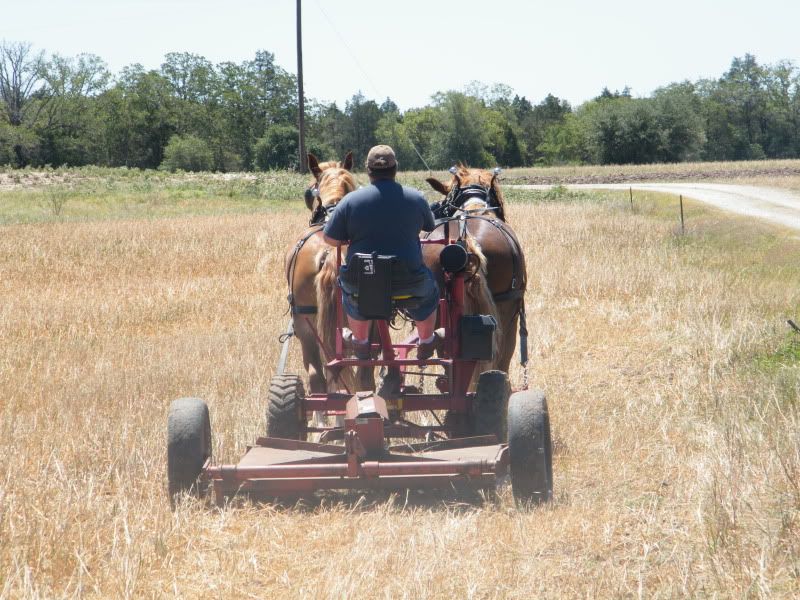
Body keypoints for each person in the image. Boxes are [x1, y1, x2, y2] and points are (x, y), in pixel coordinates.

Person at [322, 145, 440, 359]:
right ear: (395, 169)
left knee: (350, 294)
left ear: (368, 171)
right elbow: (430, 227)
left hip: (362, 283)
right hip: (409, 283)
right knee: (429, 293)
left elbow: (330, 239)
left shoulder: (350, 201)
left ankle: (360, 342)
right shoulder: (416, 198)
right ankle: (426, 341)